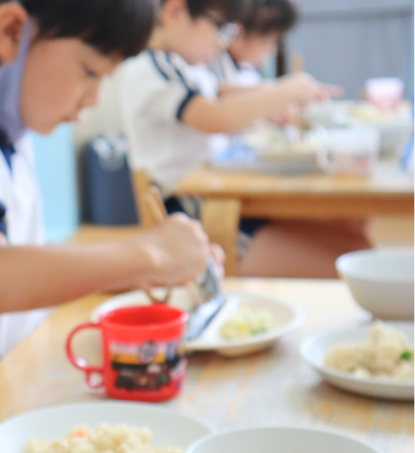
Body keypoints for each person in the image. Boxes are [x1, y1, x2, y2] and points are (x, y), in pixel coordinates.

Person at [0, 0, 221, 406]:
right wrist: (148, 254)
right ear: (11, 32)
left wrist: (144, 268)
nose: (94, 98)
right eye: (91, 72)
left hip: (8, 379)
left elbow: (29, 265)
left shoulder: (5, 138)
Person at [115, 0, 370, 277]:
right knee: (351, 256)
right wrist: (284, 91)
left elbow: (223, 94)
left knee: (352, 231)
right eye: (220, 28)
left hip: (221, 200)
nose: (224, 43)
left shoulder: (183, 64)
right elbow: (214, 117)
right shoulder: (152, 68)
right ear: (175, 11)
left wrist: (274, 95)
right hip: (198, 218)